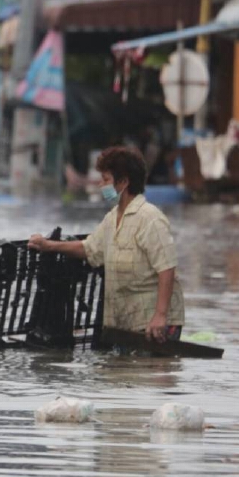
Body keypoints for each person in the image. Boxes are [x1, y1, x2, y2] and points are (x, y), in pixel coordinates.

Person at [28, 146, 185, 342]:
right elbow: (89, 248)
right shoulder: (112, 219)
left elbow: (166, 268)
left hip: (155, 322)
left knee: (155, 371)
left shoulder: (150, 218)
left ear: (124, 182)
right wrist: (49, 245)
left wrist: (160, 316)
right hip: (126, 322)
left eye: (106, 180)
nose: (100, 185)